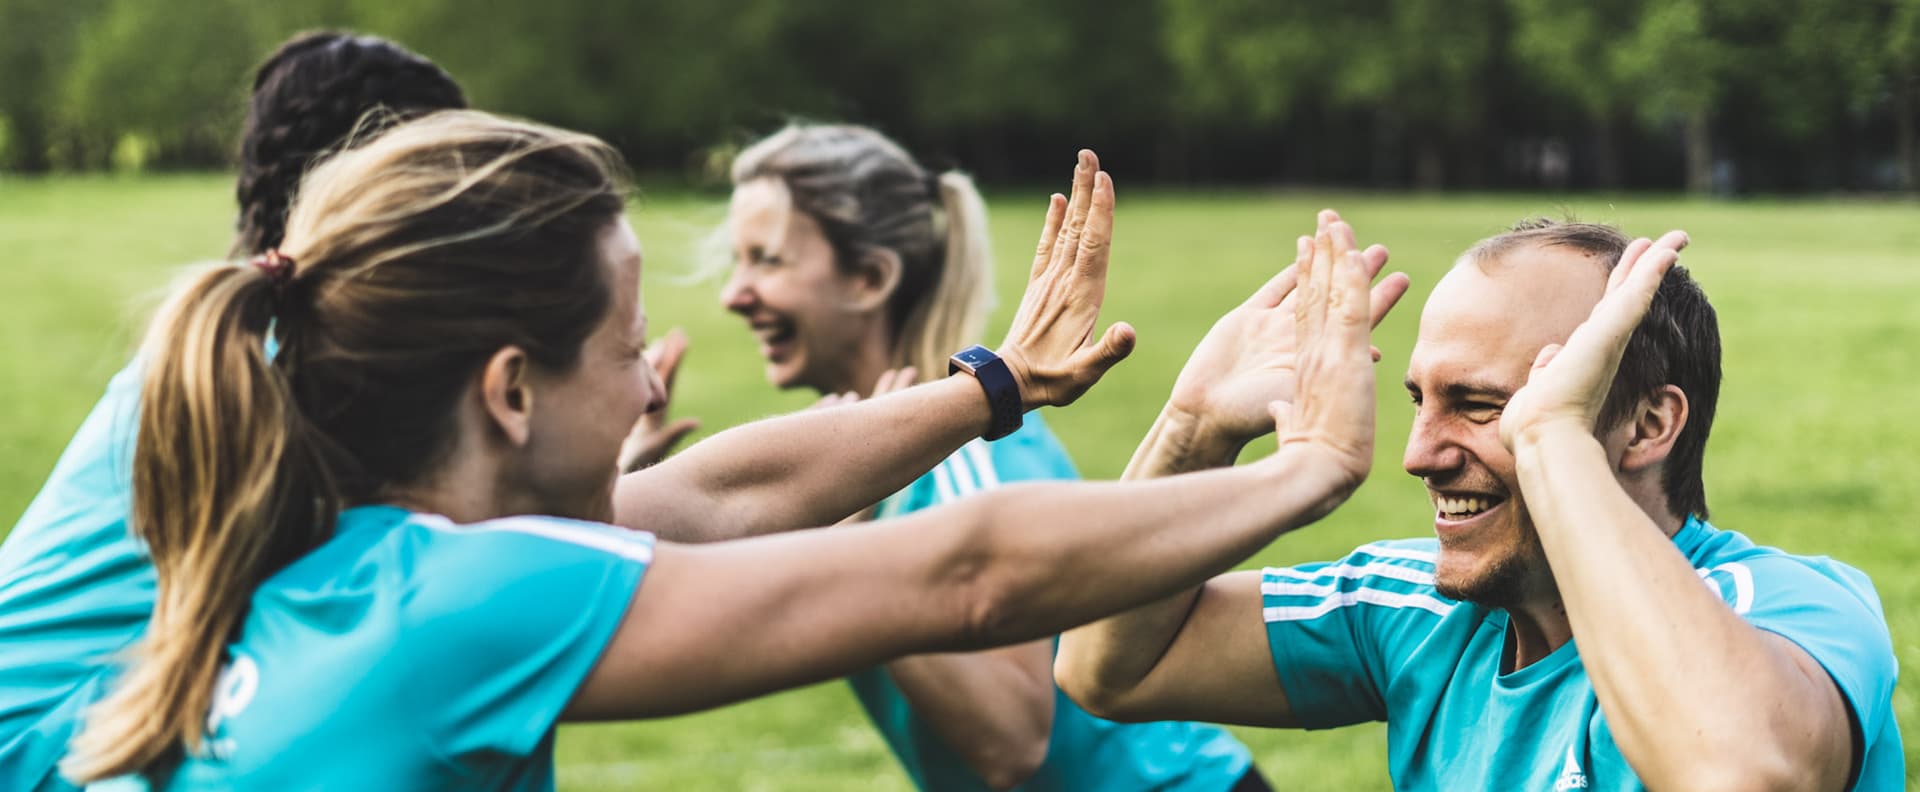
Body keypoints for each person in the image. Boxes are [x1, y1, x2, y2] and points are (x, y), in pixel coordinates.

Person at [54, 110, 1387, 790]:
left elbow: (719, 493)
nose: (654, 379)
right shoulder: (467, 598)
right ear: (510, 393)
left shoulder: (314, 547)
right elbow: (965, 573)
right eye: (628, 346)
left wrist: (993, 388)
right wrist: (1296, 471)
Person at [1056, 216, 1903, 790]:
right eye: (1421, 399)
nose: (1419, 455)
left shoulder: (1789, 609)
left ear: (1649, 425)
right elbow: (1106, 665)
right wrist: (1193, 431)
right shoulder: (1416, 612)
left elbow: (1740, 771)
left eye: (1481, 405)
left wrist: (1553, 440)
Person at [714, 123, 1261, 791]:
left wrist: (840, 554)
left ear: (869, 278)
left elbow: (1013, 739)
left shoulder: (967, 461)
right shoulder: (883, 464)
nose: (734, 294)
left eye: (767, 261)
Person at [0, 31, 466, 792]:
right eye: (451, 186)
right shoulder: (289, 370)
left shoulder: (240, 342)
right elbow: (460, 567)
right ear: (381, 195)